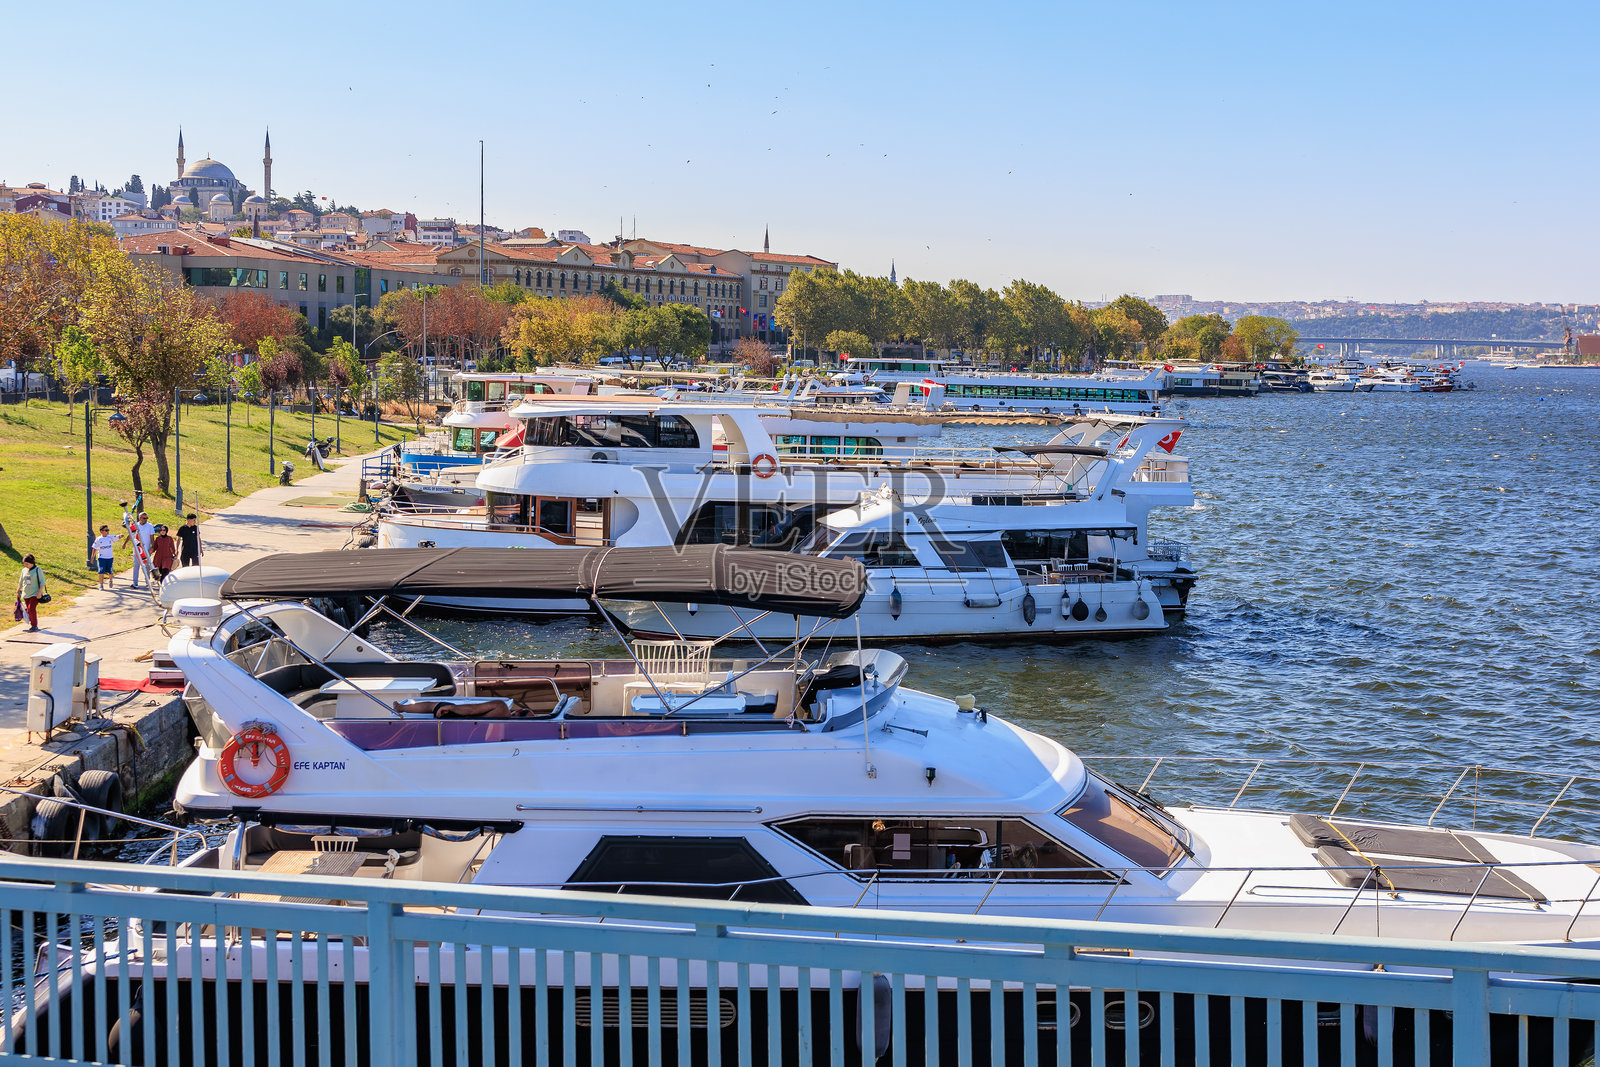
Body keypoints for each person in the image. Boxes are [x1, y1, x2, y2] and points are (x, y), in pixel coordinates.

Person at [119, 511, 155, 589]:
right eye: (144, 518)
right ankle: (135, 583)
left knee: (146, 566)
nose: (145, 519)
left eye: (146, 518)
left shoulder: (150, 526)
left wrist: (152, 548)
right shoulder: (136, 525)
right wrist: (125, 543)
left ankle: (147, 582)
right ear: (139, 518)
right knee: (136, 565)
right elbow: (130, 535)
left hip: (146, 549)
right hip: (137, 549)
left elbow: (152, 538)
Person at [16, 554, 46, 632]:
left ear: (32, 562)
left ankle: (34, 626)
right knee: (28, 610)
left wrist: (40, 591)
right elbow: (21, 581)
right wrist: (18, 590)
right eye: (24, 564)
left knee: (31, 608)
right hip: (26, 593)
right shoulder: (24, 570)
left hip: (35, 593)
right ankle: (32, 623)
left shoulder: (37, 570)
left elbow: (42, 582)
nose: (26, 565)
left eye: (27, 564)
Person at [90, 525, 117, 590]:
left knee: (110, 572)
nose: (107, 532)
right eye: (106, 530)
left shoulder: (110, 537)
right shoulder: (99, 539)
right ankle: (101, 585)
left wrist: (121, 536)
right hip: (102, 558)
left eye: (108, 530)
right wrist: (92, 558)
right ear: (101, 531)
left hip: (109, 557)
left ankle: (110, 580)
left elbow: (118, 537)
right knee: (101, 571)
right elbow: (94, 548)